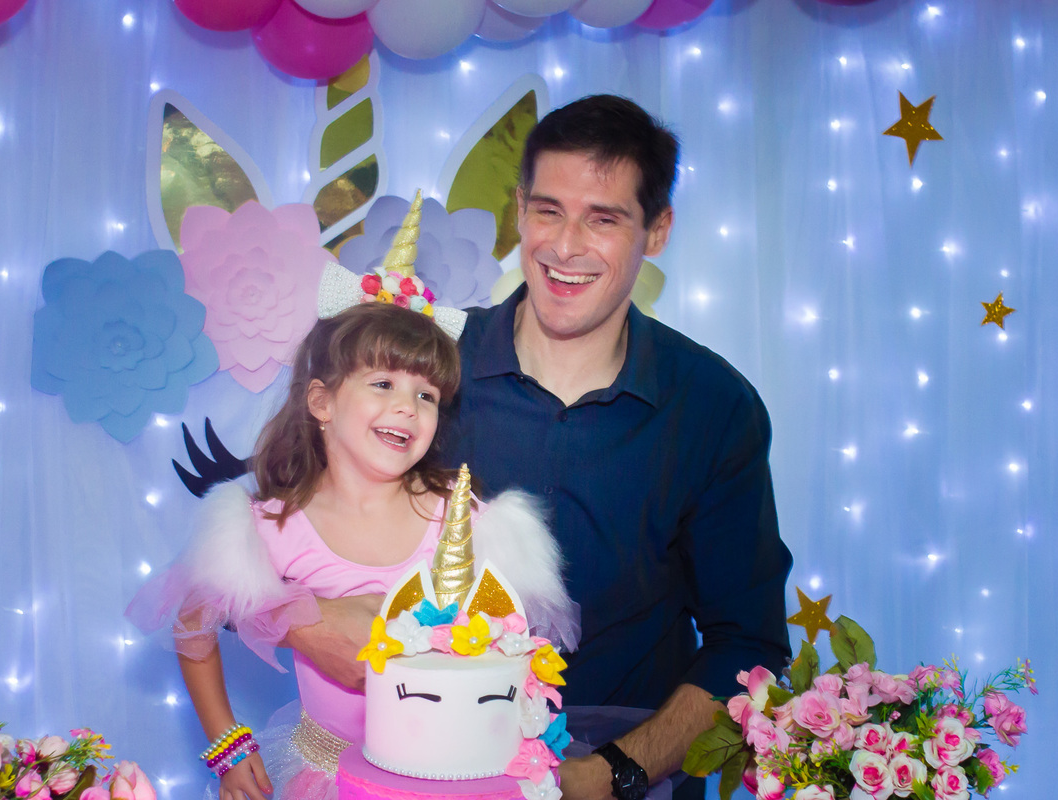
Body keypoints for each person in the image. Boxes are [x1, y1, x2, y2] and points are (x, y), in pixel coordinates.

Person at [439, 95, 794, 799]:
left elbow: (746, 644)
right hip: (435, 762)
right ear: (519, 209)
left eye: (603, 219)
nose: (565, 247)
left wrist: (617, 772)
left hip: (629, 776)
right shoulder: (427, 368)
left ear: (657, 230)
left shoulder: (714, 405)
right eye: (548, 211)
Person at [128, 302, 578, 800]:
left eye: (426, 395)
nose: (408, 406)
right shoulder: (273, 524)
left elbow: (514, 643)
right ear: (322, 402)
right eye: (383, 384)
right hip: (328, 776)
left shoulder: (462, 517)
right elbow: (193, 622)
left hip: (447, 780)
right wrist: (227, 747)